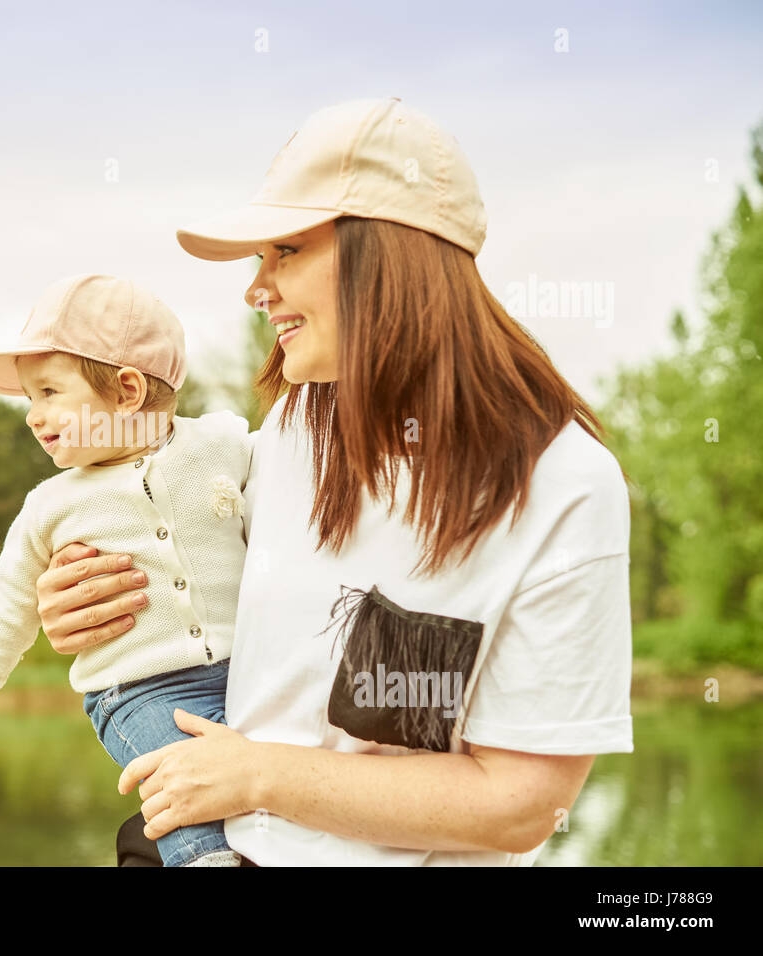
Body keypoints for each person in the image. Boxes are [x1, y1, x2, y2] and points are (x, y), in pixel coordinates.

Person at [33, 98, 634, 866]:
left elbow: (520, 805)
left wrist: (258, 776)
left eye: (285, 251)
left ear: (389, 253)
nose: (257, 287)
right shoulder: (291, 429)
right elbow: (188, 572)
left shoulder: (564, 484)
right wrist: (83, 596)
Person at [0, 273, 255, 866]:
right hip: (139, 692)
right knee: (177, 781)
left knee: (259, 784)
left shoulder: (224, 444)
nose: (32, 415)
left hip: (245, 674)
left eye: (48, 392)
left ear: (127, 391)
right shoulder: (50, 506)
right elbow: (8, 602)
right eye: (30, 398)